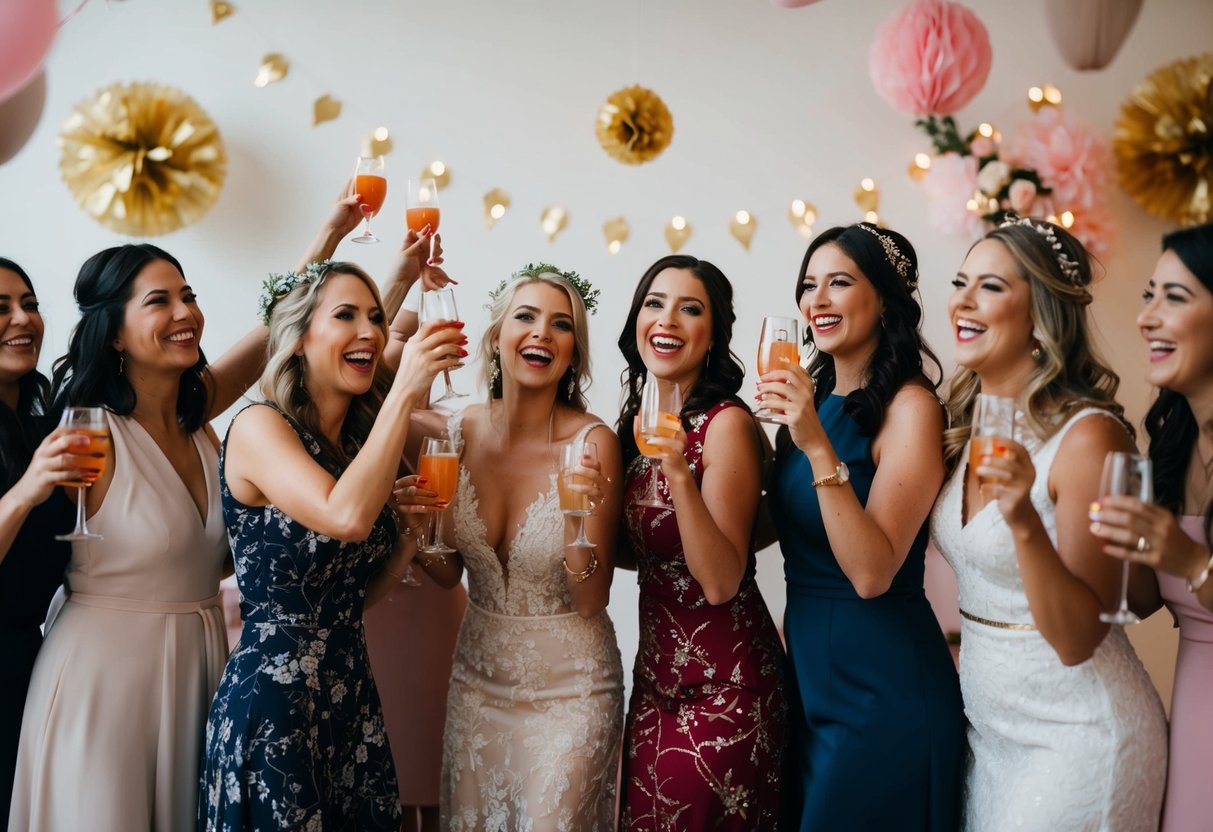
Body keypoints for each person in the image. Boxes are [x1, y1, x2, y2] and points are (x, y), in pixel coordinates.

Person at [6, 189, 377, 832]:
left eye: (189, 295)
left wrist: (329, 241)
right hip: (106, 680)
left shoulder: (199, 420)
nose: (186, 313)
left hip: (203, 669)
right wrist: (32, 485)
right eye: (160, 301)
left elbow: (276, 334)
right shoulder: (86, 434)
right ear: (114, 332)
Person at [198, 256, 463, 830]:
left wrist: (409, 536)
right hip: (273, 703)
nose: (369, 330)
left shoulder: (353, 445)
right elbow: (343, 517)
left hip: (351, 698)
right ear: (296, 339)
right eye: (346, 315)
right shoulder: (259, 428)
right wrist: (406, 387)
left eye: (375, 317)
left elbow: (352, 596)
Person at [930, 216, 1167, 830]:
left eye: (990, 286)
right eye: (961, 282)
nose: (963, 299)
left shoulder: (1087, 438)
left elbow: (1081, 636)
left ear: (1040, 315)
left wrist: (1024, 523)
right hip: (989, 737)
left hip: (1079, 736)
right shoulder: (964, 421)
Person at [405, 263, 625, 831]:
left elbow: (591, 599)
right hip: (478, 683)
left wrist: (576, 520)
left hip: (572, 692)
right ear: (495, 335)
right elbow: (448, 573)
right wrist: (416, 526)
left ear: (573, 353)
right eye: (525, 317)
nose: (541, 334)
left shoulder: (593, 442)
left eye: (560, 325)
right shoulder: (453, 433)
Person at [760, 224, 964, 830]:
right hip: (810, 684)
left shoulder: (912, 409)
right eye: (807, 285)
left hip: (883, 691)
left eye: (839, 283)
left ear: (884, 299)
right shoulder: (813, 403)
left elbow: (873, 571)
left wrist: (817, 446)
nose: (816, 300)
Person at [615, 254, 785, 831]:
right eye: (654, 304)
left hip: (726, 692)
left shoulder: (726, 424)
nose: (667, 320)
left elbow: (718, 580)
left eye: (690, 309)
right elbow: (641, 551)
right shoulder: (636, 422)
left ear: (713, 335)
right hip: (653, 685)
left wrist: (679, 473)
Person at [1090, 222, 1213, 831]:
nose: (1146, 318)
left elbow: (1190, 571)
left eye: (1175, 297)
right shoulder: (1172, 441)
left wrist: (1189, 561)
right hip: (1194, 719)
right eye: (1148, 295)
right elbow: (1138, 604)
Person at [363, 267, 468, 832]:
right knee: (391, 781)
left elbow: (453, 566)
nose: (418, 344)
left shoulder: (454, 426)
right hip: (378, 611)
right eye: (402, 336)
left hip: (437, 615)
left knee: (437, 780)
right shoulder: (363, 421)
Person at [0, 258, 86, 822]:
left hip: (28, 664)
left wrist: (327, 238)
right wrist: (29, 488)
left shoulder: (48, 421)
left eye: (29, 304)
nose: (22, 319)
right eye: (1, 310)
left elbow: (212, 383)